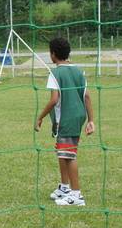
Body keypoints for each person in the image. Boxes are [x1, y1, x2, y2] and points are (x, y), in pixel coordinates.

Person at [35, 36, 95, 206]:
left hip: (66, 118)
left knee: (69, 155)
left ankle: (76, 195)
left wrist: (40, 117)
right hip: (78, 116)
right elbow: (87, 96)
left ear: (53, 54)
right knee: (62, 152)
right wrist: (91, 120)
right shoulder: (78, 71)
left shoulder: (55, 73)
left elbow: (54, 99)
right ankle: (65, 187)